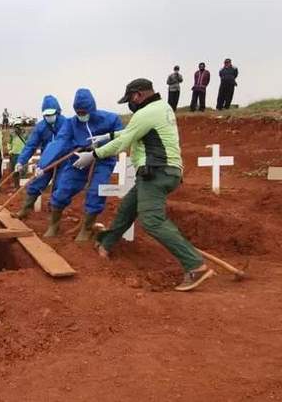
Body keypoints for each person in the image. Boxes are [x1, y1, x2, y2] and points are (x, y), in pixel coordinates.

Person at [73, 78, 215, 292]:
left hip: (156, 173)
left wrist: (93, 155)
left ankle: (195, 265)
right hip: (163, 171)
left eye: (130, 98)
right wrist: (106, 136)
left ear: (138, 95)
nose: (130, 103)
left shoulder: (146, 113)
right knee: (127, 209)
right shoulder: (161, 108)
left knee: (152, 221)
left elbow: (125, 141)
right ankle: (106, 243)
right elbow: (130, 132)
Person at [37, 89, 124, 239]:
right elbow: (59, 142)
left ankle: (86, 229)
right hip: (79, 158)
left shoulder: (111, 119)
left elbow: (121, 139)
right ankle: (54, 225)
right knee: (63, 188)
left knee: (96, 191)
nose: (81, 115)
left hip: (103, 159)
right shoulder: (71, 123)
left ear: (92, 108)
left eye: (84, 112)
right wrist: (43, 165)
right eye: (78, 112)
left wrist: (101, 146)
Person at [13, 95, 67, 219]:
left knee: (59, 185)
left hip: (64, 160)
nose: (49, 117)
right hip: (46, 161)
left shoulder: (66, 124)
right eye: (46, 115)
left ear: (58, 111)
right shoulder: (41, 127)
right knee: (36, 183)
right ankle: (25, 210)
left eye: (51, 114)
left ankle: (53, 213)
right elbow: (31, 145)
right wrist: (21, 161)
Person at [8, 122, 27, 189]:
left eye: (18, 127)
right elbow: (9, 143)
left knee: (23, 171)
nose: (17, 129)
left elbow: (29, 143)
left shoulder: (25, 134)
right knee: (15, 171)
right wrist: (10, 150)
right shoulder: (12, 135)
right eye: (16, 127)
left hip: (23, 155)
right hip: (14, 155)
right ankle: (16, 186)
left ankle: (23, 186)